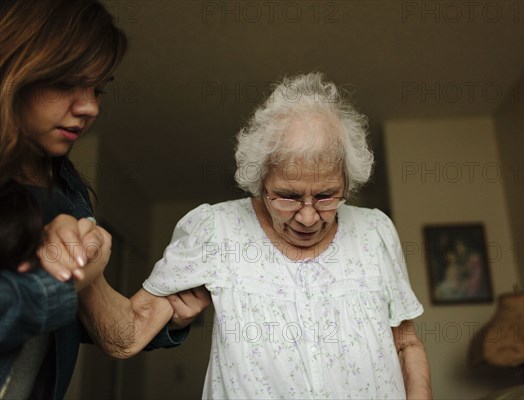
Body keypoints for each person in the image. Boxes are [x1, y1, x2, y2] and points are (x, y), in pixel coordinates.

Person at [81, 72, 432, 399]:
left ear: (348, 183)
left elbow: (406, 345)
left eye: (326, 195)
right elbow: (125, 339)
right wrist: (88, 277)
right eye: (288, 196)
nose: (308, 217)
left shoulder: (375, 231)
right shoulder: (215, 231)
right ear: (260, 180)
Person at [0, 1, 209, 398]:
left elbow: (77, 321)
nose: (90, 107)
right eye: (65, 83)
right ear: (13, 66)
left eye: (98, 88)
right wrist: (61, 284)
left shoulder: (65, 193)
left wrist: (169, 313)